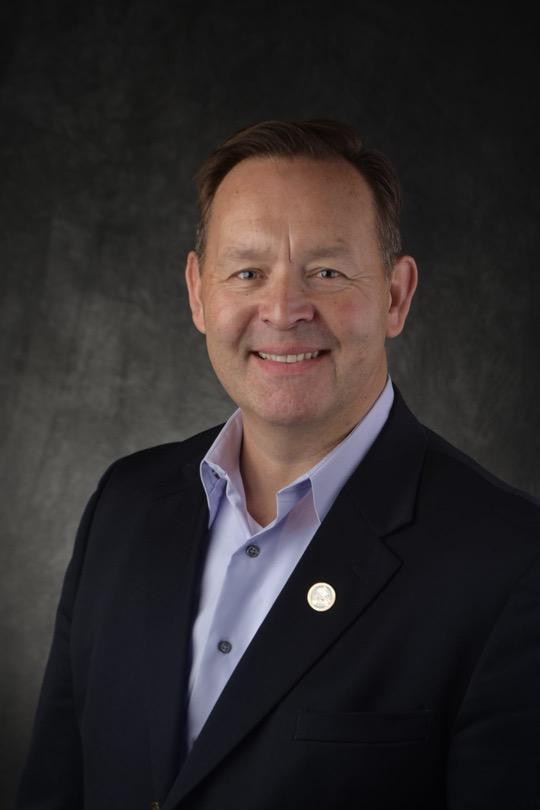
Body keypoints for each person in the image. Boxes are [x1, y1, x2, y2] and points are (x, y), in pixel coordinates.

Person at [17, 120, 540, 810]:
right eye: (248, 272)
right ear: (198, 293)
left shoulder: (510, 563)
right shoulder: (125, 504)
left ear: (396, 296)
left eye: (326, 272)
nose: (285, 310)